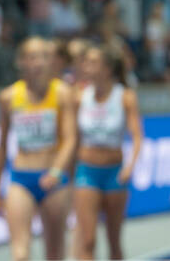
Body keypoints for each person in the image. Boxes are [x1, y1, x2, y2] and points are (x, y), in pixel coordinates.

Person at [0, 37, 78, 261]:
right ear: (21, 61)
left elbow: (71, 139)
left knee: (54, 253)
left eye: (43, 56)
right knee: (20, 254)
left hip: (54, 180)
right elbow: (2, 145)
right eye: (32, 57)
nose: (38, 62)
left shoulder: (62, 93)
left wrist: (56, 171)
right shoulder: (8, 97)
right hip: (21, 178)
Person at [73, 45, 142, 260]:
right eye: (85, 62)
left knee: (114, 241)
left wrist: (130, 166)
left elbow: (137, 136)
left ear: (108, 69)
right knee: (88, 240)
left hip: (114, 172)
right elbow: (72, 137)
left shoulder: (125, 97)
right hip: (87, 171)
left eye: (93, 62)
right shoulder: (80, 96)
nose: (86, 67)